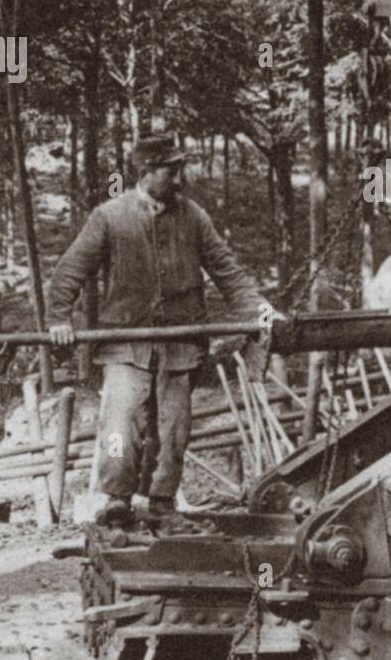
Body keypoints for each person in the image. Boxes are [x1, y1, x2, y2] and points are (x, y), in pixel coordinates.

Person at [47, 132, 266, 528]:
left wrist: (256, 310)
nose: (179, 179)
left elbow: (227, 270)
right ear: (145, 171)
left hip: (180, 347)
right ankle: (116, 501)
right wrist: (60, 319)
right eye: (170, 171)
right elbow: (69, 272)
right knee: (121, 426)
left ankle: (163, 504)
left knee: (174, 430)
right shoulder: (109, 217)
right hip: (124, 346)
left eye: (180, 169)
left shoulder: (194, 217)